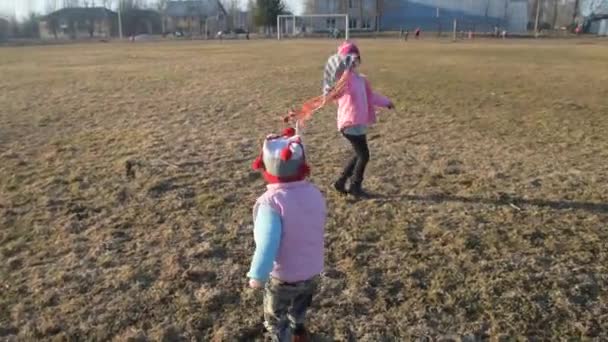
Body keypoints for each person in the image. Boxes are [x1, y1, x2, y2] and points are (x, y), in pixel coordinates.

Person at [248, 127, 327, 342]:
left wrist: (257, 275)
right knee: (301, 304)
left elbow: (267, 243)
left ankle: (281, 337)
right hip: (312, 269)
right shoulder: (314, 193)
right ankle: (299, 329)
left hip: (283, 276)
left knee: (275, 315)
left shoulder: (270, 203)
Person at [322, 41, 394, 198]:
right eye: (349, 59)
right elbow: (333, 95)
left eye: (355, 58)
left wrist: (387, 102)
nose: (353, 62)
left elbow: (371, 97)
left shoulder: (361, 79)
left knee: (359, 154)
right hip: (349, 123)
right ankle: (355, 186)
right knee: (364, 155)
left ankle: (341, 182)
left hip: (359, 122)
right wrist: (329, 91)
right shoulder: (343, 80)